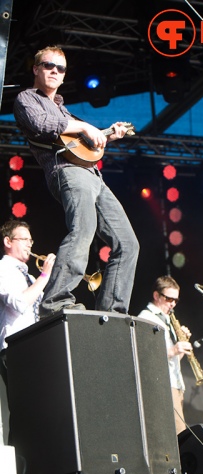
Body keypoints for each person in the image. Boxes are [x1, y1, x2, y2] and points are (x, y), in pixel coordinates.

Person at [13, 45, 139, 318]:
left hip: (94, 176)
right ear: (36, 69)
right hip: (67, 172)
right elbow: (42, 125)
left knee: (128, 244)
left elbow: (82, 145)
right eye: (49, 66)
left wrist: (109, 135)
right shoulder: (27, 98)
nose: (55, 72)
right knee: (83, 229)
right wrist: (84, 127)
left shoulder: (64, 109)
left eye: (61, 69)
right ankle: (55, 301)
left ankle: (113, 312)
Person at [0, 219, 55, 444]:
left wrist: (51, 278)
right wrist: (45, 277)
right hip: (14, 349)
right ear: (7, 241)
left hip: (32, 348)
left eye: (31, 240)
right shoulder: (3, 269)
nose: (30, 245)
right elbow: (20, 303)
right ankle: (20, 473)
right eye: (24, 239)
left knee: (37, 412)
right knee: (23, 413)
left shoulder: (30, 277)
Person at [138, 276, 192, 435]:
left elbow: (169, 361)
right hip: (162, 386)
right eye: (169, 299)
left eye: (176, 300)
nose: (173, 304)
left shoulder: (166, 319)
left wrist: (180, 348)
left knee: (178, 436)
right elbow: (145, 357)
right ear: (156, 296)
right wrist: (173, 350)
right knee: (178, 436)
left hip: (175, 384)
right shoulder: (146, 318)